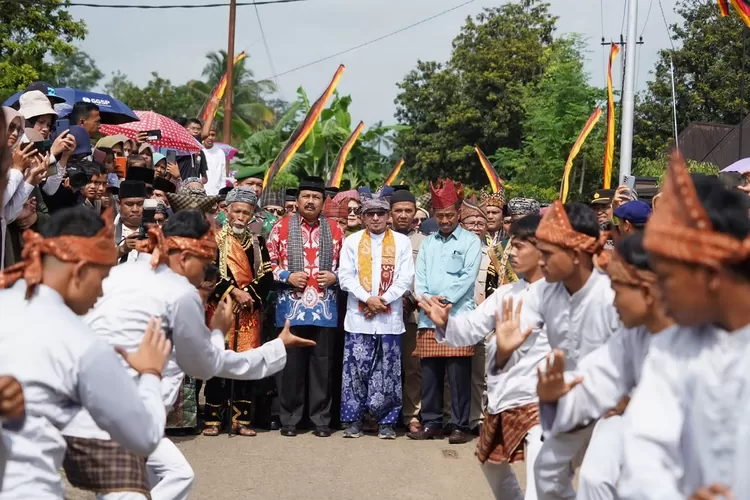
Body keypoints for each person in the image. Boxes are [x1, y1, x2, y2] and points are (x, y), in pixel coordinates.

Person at [63, 209, 312, 500]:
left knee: (176, 475)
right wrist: (220, 331)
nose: (209, 272)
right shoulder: (179, 293)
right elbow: (206, 365)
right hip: (119, 416)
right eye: (206, 261)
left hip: (92, 404)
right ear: (184, 258)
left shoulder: (120, 273)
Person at [0, 206, 171, 499]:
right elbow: (144, 437)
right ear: (79, 271)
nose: (102, 292)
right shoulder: (82, 343)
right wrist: (151, 373)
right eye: (102, 278)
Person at [618, 157, 750, 499]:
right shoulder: (673, 344)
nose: (657, 291)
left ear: (710, 273)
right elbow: (644, 449)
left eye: (667, 278)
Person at [419, 214, 548, 500]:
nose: (511, 253)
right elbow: (469, 328)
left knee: (541, 481)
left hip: (545, 403)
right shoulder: (505, 294)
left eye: (519, 246)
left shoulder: (561, 294)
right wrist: (444, 323)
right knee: (492, 462)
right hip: (506, 400)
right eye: (511, 245)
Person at [536, 232, 672, 500]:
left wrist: (634, 403)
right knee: (588, 476)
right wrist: (556, 395)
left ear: (646, 291)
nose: (613, 301)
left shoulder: (703, 344)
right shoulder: (632, 334)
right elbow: (596, 377)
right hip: (620, 423)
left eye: (618, 289)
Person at [521, 201, 621, 500]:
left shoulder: (612, 296)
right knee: (546, 471)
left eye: (548, 254)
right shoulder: (544, 292)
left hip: (615, 410)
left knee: (598, 481)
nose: (540, 263)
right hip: (570, 403)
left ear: (576, 255)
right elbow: (519, 327)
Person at [267, 176, 345, 438]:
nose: (310, 201)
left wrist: (336, 277)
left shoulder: (335, 229)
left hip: (325, 306)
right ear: (297, 200)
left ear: (323, 202)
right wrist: (287, 276)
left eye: (316, 197)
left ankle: (321, 419)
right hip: (291, 306)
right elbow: (268, 265)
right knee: (292, 364)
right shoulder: (280, 228)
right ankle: (289, 418)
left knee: (322, 364)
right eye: (306, 196)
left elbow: (348, 268)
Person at [408, 179, 481, 445]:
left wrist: (446, 300)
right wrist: (428, 300)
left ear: (459, 213)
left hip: (458, 317)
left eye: (450, 214)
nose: (445, 219)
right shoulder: (428, 243)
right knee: (430, 373)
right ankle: (432, 422)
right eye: (440, 216)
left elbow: (468, 277)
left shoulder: (471, 241)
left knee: (458, 374)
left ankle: (460, 425)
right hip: (429, 316)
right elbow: (421, 279)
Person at [337, 195, 414, 439]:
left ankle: (387, 422)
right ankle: (354, 420)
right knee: (356, 371)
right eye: (370, 214)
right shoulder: (352, 241)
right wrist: (367, 298)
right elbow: (345, 277)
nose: (376, 218)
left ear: (388, 216)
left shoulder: (401, 242)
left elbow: (405, 278)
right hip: (359, 318)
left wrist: (382, 300)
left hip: (389, 320)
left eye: (381, 213)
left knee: (388, 371)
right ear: (362, 217)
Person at [203, 187, 274, 437]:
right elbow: (209, 273)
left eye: (246, 212)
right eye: (237, 211)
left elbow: (267, 276)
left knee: (246, 364)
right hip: (222, 310)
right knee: (218, 362)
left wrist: (249, 296)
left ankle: (241, 420)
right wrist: (234, 291)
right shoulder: (215, 240)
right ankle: (212, 418)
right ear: (227, 211)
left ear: (252, 214)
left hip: (248, 313)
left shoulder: (257, 242)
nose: (241, 216)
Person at [459, 199, 497, 432]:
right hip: (456, 320)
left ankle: (478, 418)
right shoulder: (453, 249)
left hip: (484, 321)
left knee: (481, 373)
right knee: (453, 372)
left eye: (480, 222)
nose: (476, 226)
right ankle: (450, 416)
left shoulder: (494, 252)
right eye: (470, 222)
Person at [389, 187, 425, 434]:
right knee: (384, 365)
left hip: (412, 312)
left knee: (413, 368)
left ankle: (412, 415)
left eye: (407, 211)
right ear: (390, 213)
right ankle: (382, 413)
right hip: (382, 312)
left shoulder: (424, 242)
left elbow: (427, 276)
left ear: (415, 214)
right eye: (398, 210)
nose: (403, 215)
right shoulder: (379, 238)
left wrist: (410, 297)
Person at [234, 166, 277, 238]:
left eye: (259, 185)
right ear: (236, 185)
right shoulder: (222, 217)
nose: (255, 189)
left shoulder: (271, 221)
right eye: (250, 184)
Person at [114, 180, 146, 263]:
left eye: (140, 204)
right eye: (129, 204)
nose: (135, 210)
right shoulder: (107, 232)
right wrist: (122, 250)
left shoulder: (157, 231)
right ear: (119, 205)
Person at [202, 128, 227, 195]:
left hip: (215, 193)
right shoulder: (198, 151)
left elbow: (223, 176)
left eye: (212, 135)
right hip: (199, 192)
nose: (210, 137)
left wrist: (222, 192)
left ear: (216, 136)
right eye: (208, 135)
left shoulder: (220, 152)